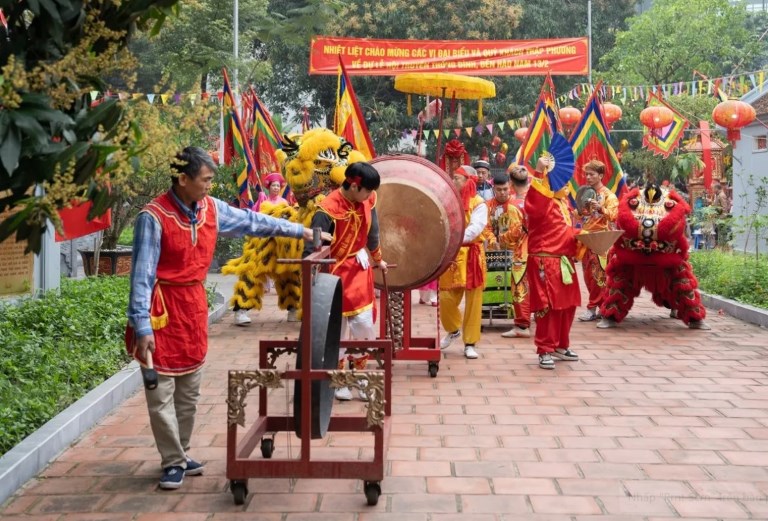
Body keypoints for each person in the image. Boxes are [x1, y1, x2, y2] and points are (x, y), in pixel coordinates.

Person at [127, 147, 330, 490]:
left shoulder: (212, 209)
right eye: (205, 180)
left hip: (192, 307)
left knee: (189, 390)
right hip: (161, 309)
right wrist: (141, 324)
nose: (209, 185)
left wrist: (304, 233)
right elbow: (142, 276)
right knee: (160, 392)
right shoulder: (153, 217)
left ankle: (183, 451)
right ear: (182, 180)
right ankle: (172, 461)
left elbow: (256, 222)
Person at [303, 161, 388, 401]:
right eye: (367, 191)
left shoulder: (367, 199)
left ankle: (360, 375)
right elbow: (313, 247)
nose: (371, 196)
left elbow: (373, 233)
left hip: (358, 267)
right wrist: (312, 281)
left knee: (362, 322)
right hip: (333, 270)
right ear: (352, 186)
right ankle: (339, 378)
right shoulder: (327, 209)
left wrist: (377, 258)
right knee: (336, 325)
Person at [526, 156, 581, 370]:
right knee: (547, 307)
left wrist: (584, 235)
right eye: (562, 180)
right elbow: (534, 207)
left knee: (567, 306)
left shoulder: (563, 204)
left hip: (564, 262)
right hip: (545, 260)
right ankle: (544, 349)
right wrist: (539, 172)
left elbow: (565, 232)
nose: (566, 184)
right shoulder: (543, 200)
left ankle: (560, 344)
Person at [439, 165, 488, 359]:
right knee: (446, 298)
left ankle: (470, 342)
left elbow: (475, 228)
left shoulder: (479, 203)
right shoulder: (448, 201)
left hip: (472, 254)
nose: (454, 181)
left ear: (469, 181)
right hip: (452, 254)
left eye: (457, 178)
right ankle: (453, 329)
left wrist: (454, 237)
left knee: (474, 302)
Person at [484, 171, 531, 338]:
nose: (502, 193)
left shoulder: (517, 204)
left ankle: (523, 323)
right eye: (499, 190)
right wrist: (492, 240)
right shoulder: (488, 206)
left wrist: (502, 239)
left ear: (510, 186)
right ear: (493, 189)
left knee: (520, 287)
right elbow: (486, 228)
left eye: (505, 189)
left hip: (518, 252)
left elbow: (518, 231)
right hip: (496, 253)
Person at [575, 160, 618, 322]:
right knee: (587, 275)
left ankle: (592, 308)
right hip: (587, 238)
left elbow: (613, 216)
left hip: (601, 239)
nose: (588, 177)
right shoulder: (586, 192)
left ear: (601, 175)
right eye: (586, 174)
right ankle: (601, 306)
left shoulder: (609, 195)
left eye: (592, 174)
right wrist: (578, 211)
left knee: (598, 275)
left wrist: (600, 208)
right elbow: (581, 215)